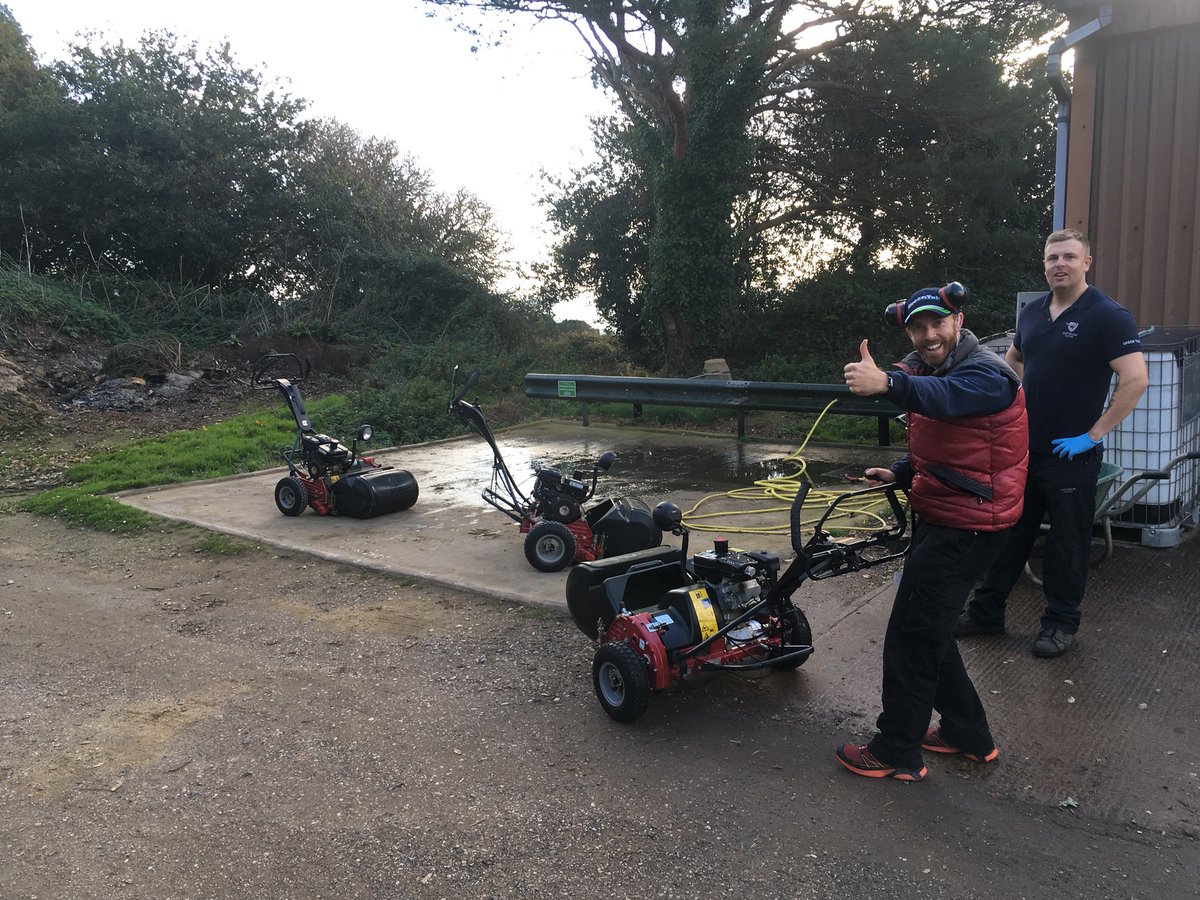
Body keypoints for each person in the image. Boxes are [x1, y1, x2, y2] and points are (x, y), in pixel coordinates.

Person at [835, 285, 1028, 782]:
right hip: (948, 516)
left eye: (937, 323)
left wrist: (889, 386)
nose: (928, 335)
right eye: (918, 328)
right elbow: (944, 440)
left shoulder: (988, 373)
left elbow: (950, 401)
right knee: (931, 631)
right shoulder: (930, 366)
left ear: (958, 321)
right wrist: (900, 473)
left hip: (966, 528)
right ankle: (968, 734)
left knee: (910, 638)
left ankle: (897, 748)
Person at [957, 229, 1148, 658]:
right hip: (1023, 449)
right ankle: (987, 613)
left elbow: (1136, 379)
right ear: (1043, 264)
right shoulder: (1034, 313)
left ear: (1086, 262)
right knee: (1008, 534)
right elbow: (1016, 360)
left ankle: (1059, 624)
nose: (1059, 264)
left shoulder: (1108, 315)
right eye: (1051, 258)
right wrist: (1005, 404)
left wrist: (1092, 435)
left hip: (1072, 456)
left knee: (1067, 543)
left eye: (1068, 257)